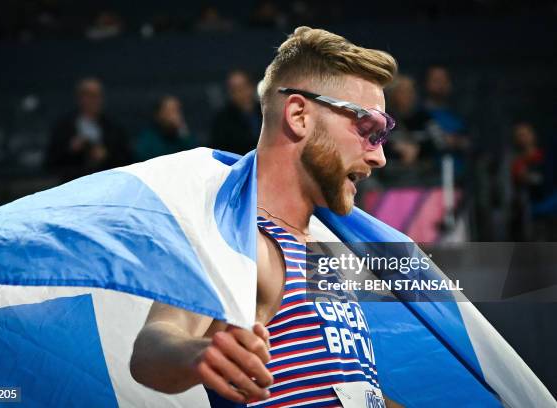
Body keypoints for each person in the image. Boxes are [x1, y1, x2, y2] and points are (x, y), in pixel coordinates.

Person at [130, 26, 402, 407]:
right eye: (367, 128)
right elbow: (152, 346)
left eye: (382, 136)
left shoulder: (324, 253)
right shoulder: (241, 243)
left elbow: (346, 390)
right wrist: (201, 355)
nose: (378, 156)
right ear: (298, 115)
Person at [45, 77, 132, 181]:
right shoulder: (64, 127)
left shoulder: (113, 128)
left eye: (97, 96)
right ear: (79, 98)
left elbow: (128, 161)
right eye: (89, 96)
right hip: (73, 186)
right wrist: (70, 149)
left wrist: (106, 155)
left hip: (107, 184)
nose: (94, 100)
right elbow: (50, 164)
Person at [210, 70, 263, 155]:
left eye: (244, 87)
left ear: (252, 86)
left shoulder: (266, 111)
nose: (241, 93)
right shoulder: (222, 120)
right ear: (230, 93)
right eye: (236, 89)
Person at [135, 95, 197, 160]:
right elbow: (142, 157)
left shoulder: (183, 134)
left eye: (177, 110)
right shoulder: (148, 136)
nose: (174, 116)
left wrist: (182, 130)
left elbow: (195, 156)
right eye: (170, 111)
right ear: (159, 114)